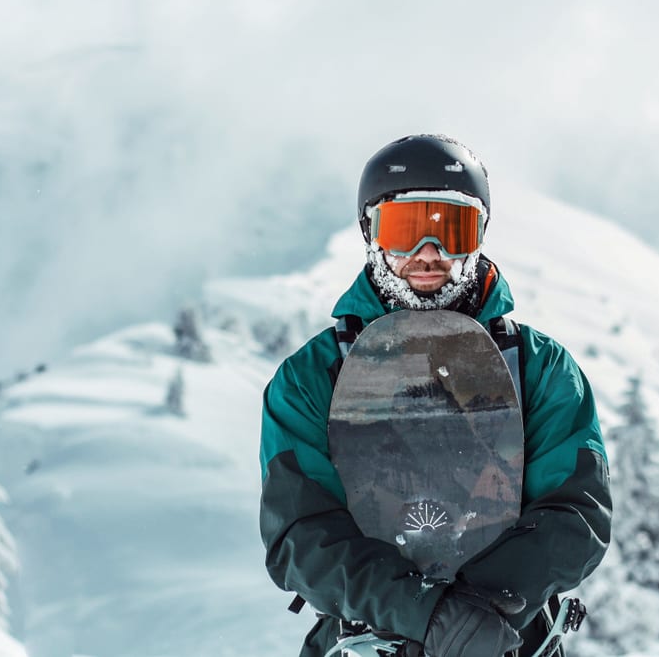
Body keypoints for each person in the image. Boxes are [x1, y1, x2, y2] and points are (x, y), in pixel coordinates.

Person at [260, 134, 611, 657]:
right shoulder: (313, 377)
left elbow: (575, 512)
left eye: (452, 229)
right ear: (370, 233)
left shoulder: (539, 369)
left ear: (479, 235)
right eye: (405, 229)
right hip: (365, 640)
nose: (429, 254)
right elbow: (301, 534)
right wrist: (429, 615)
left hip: (507, 641)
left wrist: (477, 612)